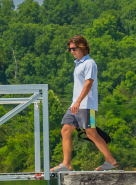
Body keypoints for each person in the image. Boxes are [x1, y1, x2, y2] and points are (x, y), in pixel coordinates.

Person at [50, 36, 120, 172]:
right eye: (70, 49)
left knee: (91, 133)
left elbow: (89, 84)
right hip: (75, 106)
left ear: (82, 47)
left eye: (74, 48)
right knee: (65, 130)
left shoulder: (89, 63)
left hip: (87, 106)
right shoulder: (78, 64)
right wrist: (74, 103)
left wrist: (78, 101)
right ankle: (66, 164)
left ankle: (111, 161)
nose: (71, 51)